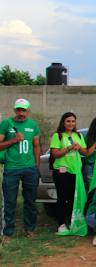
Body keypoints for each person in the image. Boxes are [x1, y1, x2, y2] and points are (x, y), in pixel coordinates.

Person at [0, 99, 41, 240]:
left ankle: (29, 229)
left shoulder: (33, 125)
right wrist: (13, 140)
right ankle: (7, 233)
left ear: (29, 110)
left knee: (30, 201)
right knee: (10, 201)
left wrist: (36, 167)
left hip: (30, 169)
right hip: (11, 168)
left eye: (24, 110)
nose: (21, 113)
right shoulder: (6, 124)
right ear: (14, 110)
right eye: (19, 110)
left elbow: (36, 147)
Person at [50, 112, 88, 233]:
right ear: (63, 122)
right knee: (62, 198)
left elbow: (85, 152)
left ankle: (72, 221)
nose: (70, 123)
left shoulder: (78, 136)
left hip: (75, 171)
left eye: (73, 121)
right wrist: (69, 148)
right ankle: (61, 224)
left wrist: (79, 147)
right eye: (68, 121)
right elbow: (55, 154)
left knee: (73, 198)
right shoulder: (58, 136)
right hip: (62, 171)